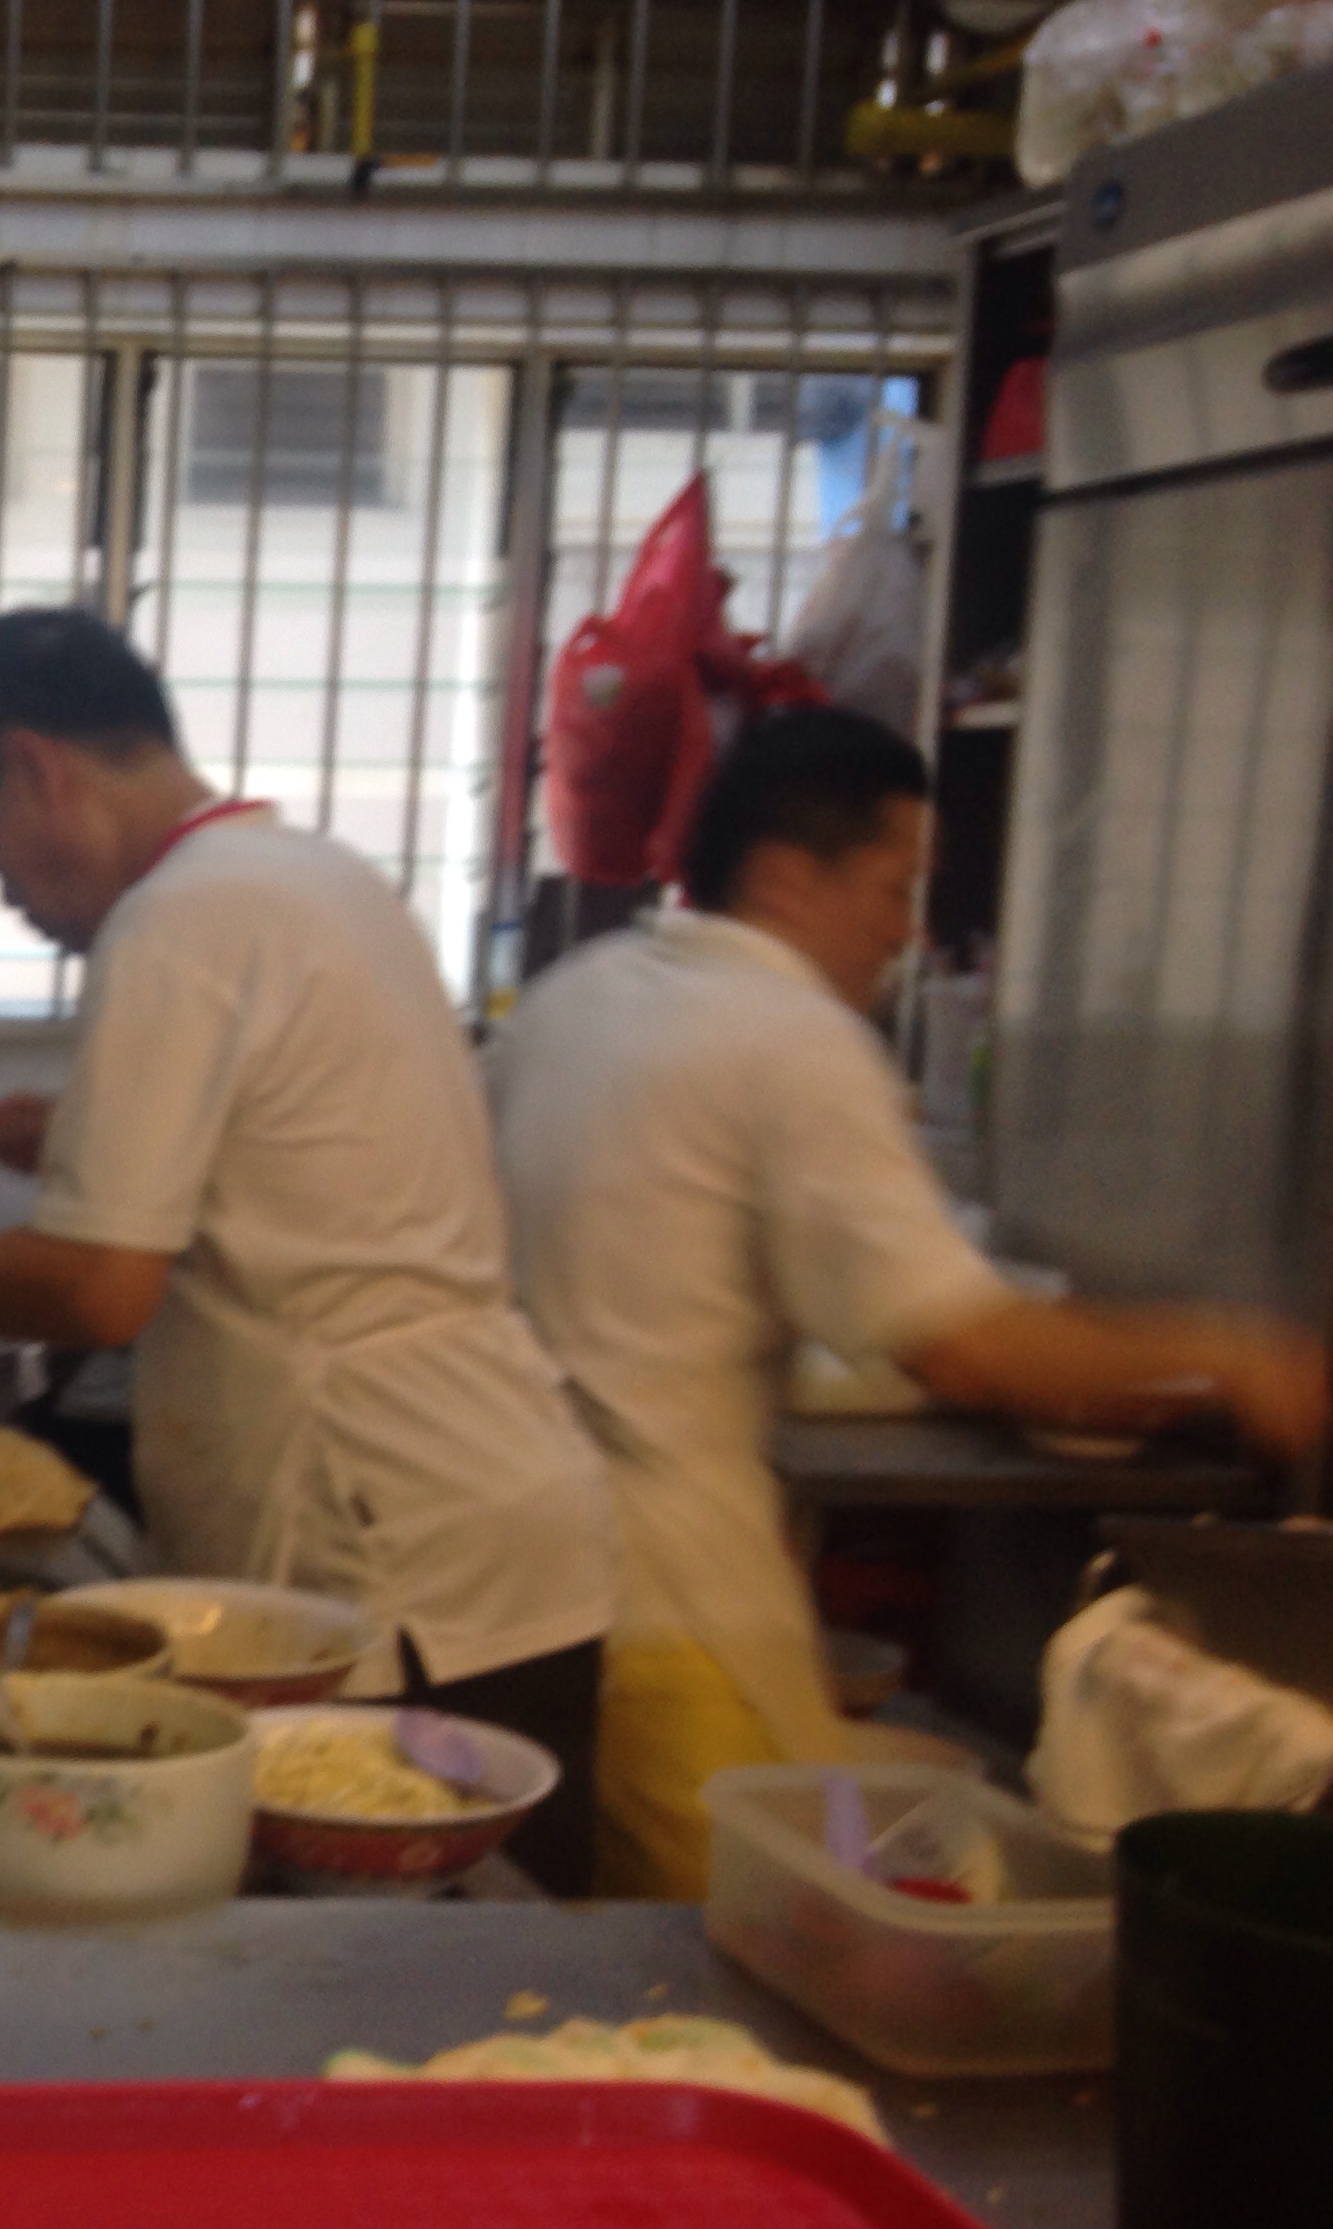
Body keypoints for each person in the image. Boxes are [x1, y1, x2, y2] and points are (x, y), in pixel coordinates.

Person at [0, 608, 620, 1893]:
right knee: (496, 1953)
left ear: (40, 766)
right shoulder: (314, 876)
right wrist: (82, 1132)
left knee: (375, 1963)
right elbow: (312, 1145)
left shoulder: (175, 922)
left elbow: (97, 1293)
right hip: (496, 1506)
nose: (7, 894)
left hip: (384, 1541)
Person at [488, 708, 1326, 1899]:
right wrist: (1235, 1356)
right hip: (672, 1607)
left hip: (524, 1582)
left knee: (592, 1936)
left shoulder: (581, 992)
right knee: (733, 1949)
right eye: (893, 888)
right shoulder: (791, 1037)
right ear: (787, 878)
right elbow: (969, 1350)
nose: (905, 929)